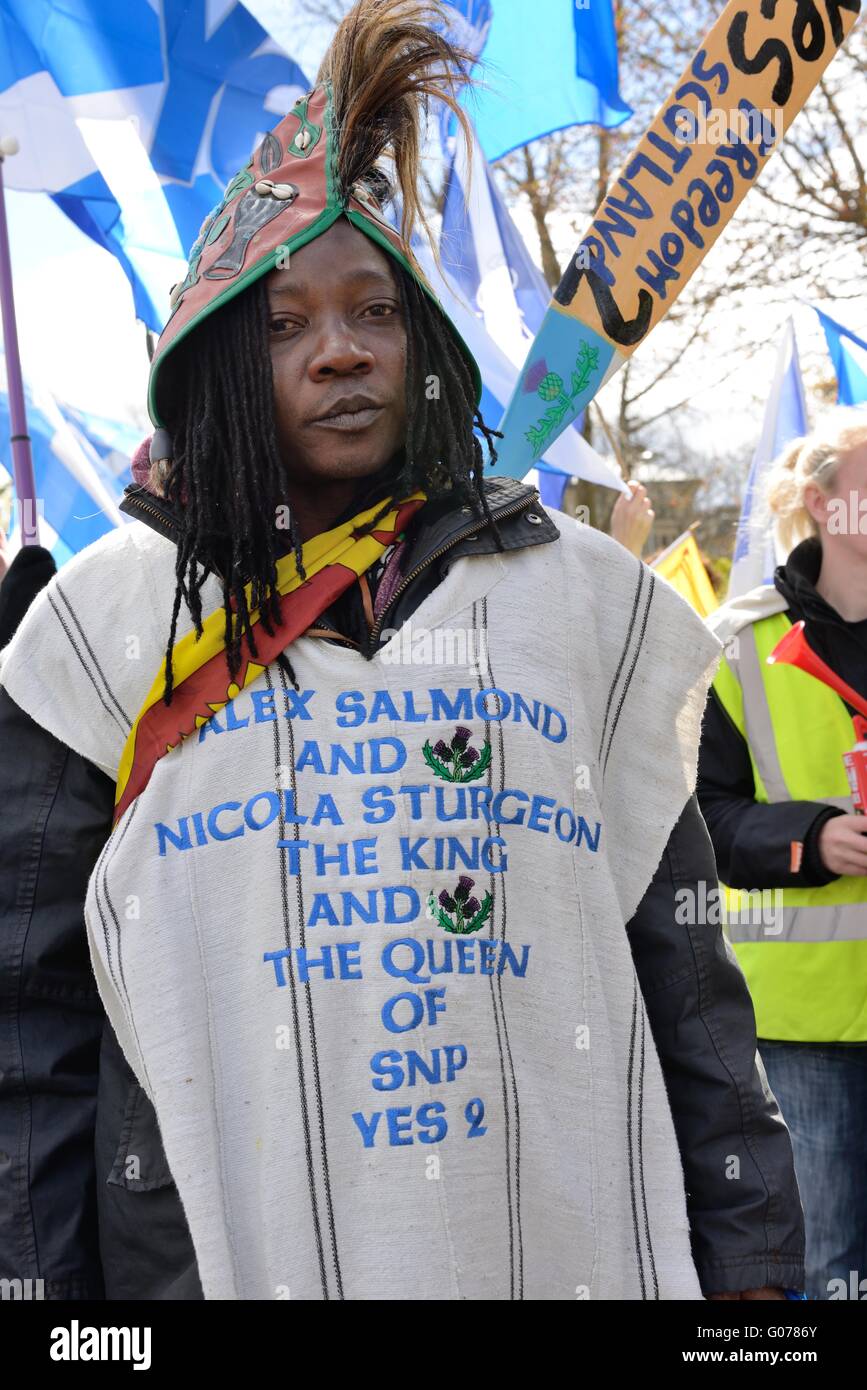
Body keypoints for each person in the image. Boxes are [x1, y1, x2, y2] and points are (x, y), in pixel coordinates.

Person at [0, 0, 803, 1301]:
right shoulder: (95, 634)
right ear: (212, 367)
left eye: (373, 309)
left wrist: (752, 1262)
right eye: (281, 324)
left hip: (558, 1252)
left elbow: (683, 959)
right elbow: (29, 1026)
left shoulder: (579, 599)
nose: (335, 349)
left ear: (423, 349)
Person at [698, 409, 867, 1300]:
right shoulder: (735, 642)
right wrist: (811, 837)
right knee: (824, 1263)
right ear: (822, 502)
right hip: (801, 1026)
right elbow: (695, 819)